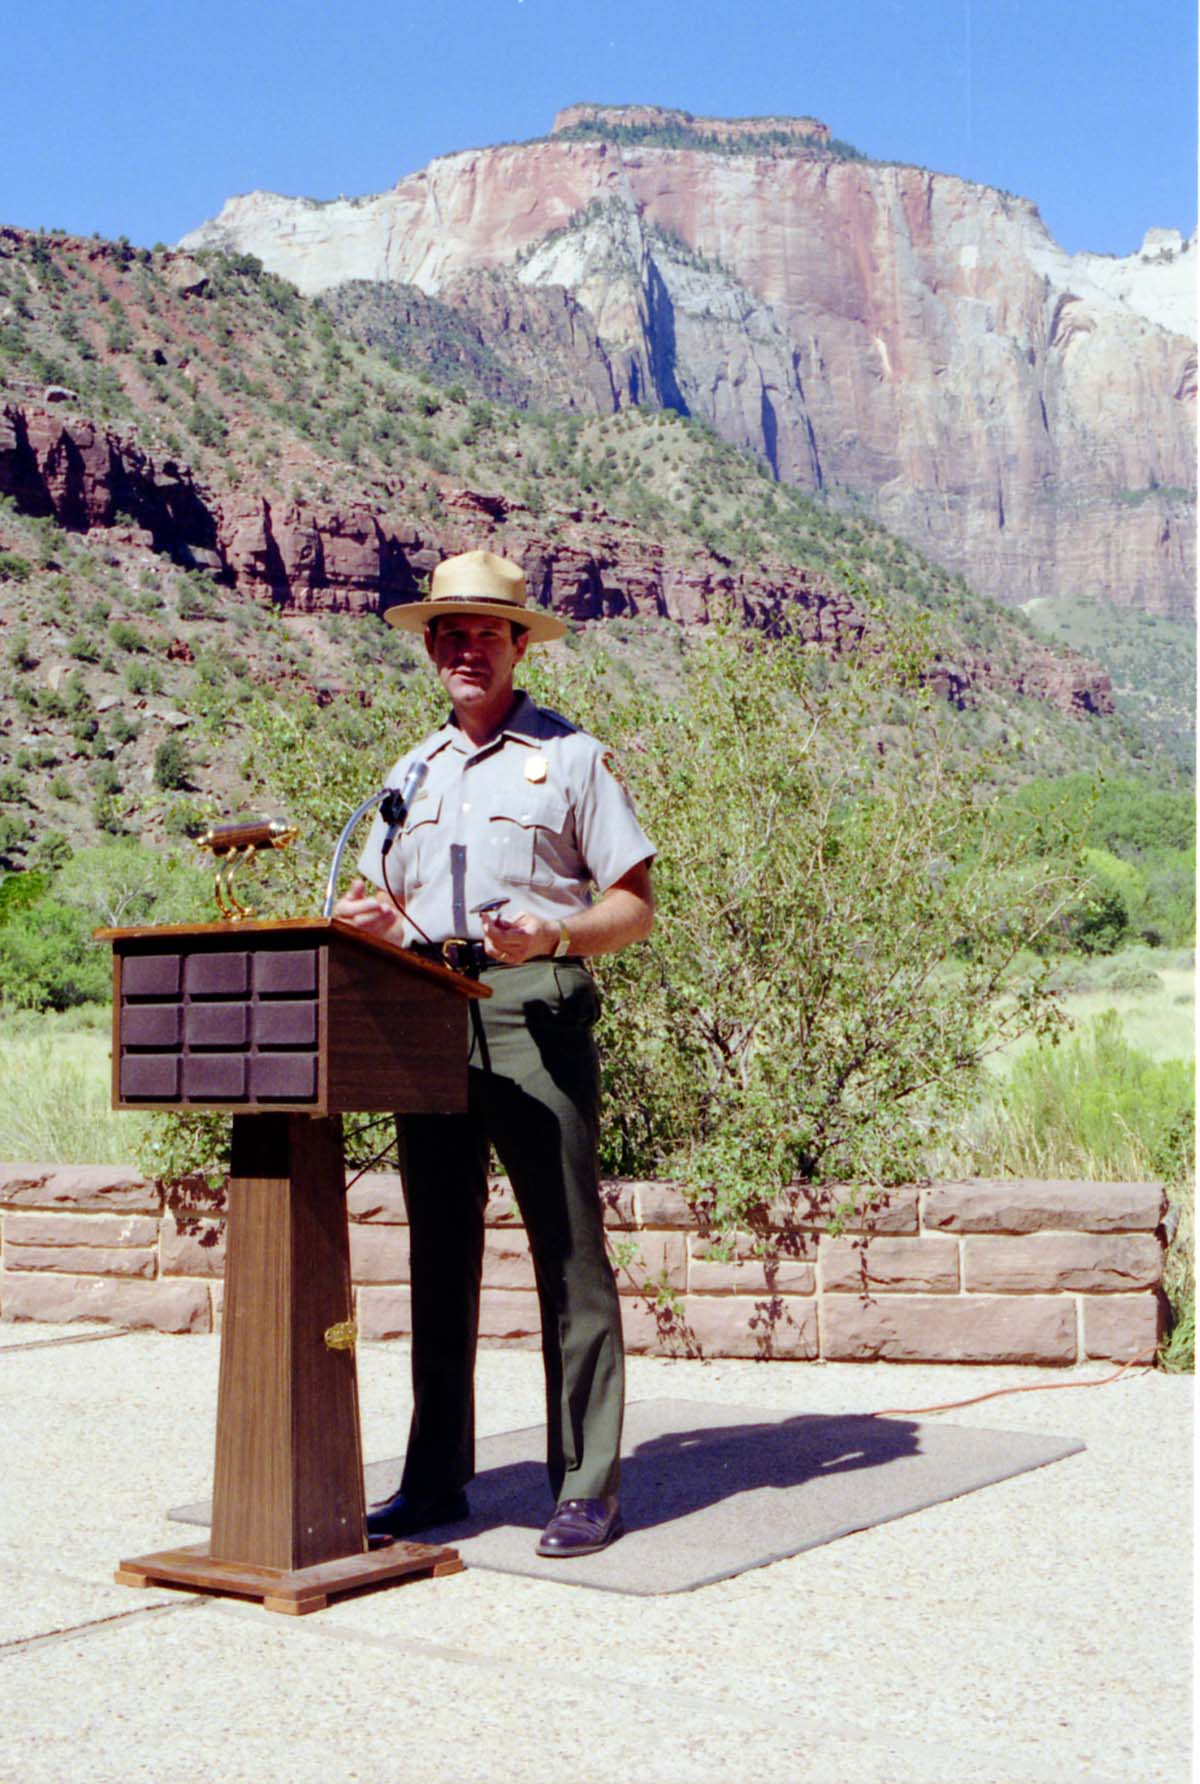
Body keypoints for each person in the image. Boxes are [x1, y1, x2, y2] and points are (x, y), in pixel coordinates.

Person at [335, 548, 655, 1558]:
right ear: (430, 646)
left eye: (487, 631)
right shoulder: (410, 772)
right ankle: (434, 1479)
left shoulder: (570, 759)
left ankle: (586, 1482)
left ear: (521, 645)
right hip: (427, 1013)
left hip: (530, 1009)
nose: (467, 648)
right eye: (451, 632)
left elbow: (634, 905)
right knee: (439, 1251)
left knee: (568, 1251)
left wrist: (555, 934)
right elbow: (391, 895)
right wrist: (378, 922)